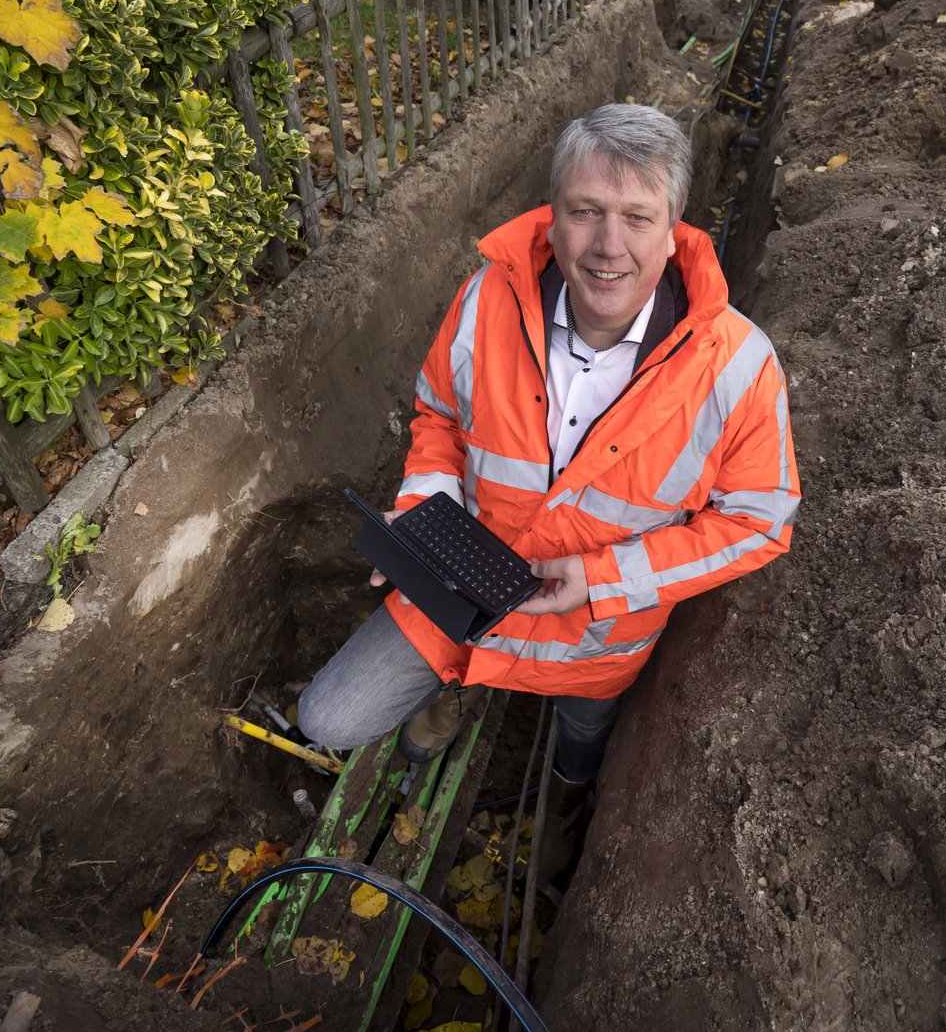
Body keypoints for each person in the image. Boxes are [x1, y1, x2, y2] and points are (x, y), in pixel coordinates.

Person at [299, 103, 799, 879]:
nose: (608, 246)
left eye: (638, 218)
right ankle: (453, 695)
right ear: (552, 215)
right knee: (326, 718)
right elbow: (438, 413)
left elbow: (761, 520)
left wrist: (603, 581)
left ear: (674, 232)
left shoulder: (738, 365)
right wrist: (424, 518)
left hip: (597, 637)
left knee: (585, 739)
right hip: (460, 594)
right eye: (586, 213)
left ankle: (569, 796)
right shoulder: (484, 302)